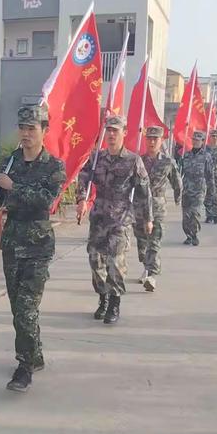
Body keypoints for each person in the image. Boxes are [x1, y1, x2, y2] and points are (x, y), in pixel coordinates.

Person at [0, 105, 66, 393]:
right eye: (22, 128)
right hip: (12, 244)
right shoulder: (10, 161)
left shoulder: (54, 166)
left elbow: (46, 201)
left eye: (31, 128)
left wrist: (15, 186)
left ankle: (23, 367)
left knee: (26, 309)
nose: (25, 133)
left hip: (38, 246)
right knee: (18, 309)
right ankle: (34, 355)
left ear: (44, 131)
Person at [76, 116, 153, 324]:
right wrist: (82, 199)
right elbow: (82, 177)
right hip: (99, 217)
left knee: (115, 263)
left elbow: (144, 191)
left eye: (115, 131)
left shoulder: (132, 160)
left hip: (120, 219)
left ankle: (115, 303)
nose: (111, 134)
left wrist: (147, 218)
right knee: (95, 261)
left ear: (124, 133)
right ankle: (103, 297)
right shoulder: (96, 158)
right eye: (108, 130)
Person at [133, 126, 182, 292]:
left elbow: (177, 182)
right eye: (149, 138)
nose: (152, 141)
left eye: (156, 139)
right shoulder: (138, 160)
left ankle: (151, 275)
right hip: (139, 207)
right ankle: (146, 267)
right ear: (145, 140)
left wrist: (178, 198)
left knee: (154, 241)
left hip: (157, 207)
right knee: (141, 243)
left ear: (161, 141)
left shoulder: (167, 162)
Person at [182, 131, 215, 246]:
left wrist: (211, 191)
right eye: (194, 140)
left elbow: (210, 175)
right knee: (186, 215)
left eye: (198, 140)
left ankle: (194, 235)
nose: (195, 142)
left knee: (195, 214)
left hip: (199, 190)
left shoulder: (206, 156)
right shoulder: (186, 155)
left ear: (202, 142)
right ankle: (188, 235)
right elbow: (181, 172)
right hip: (186, 190)